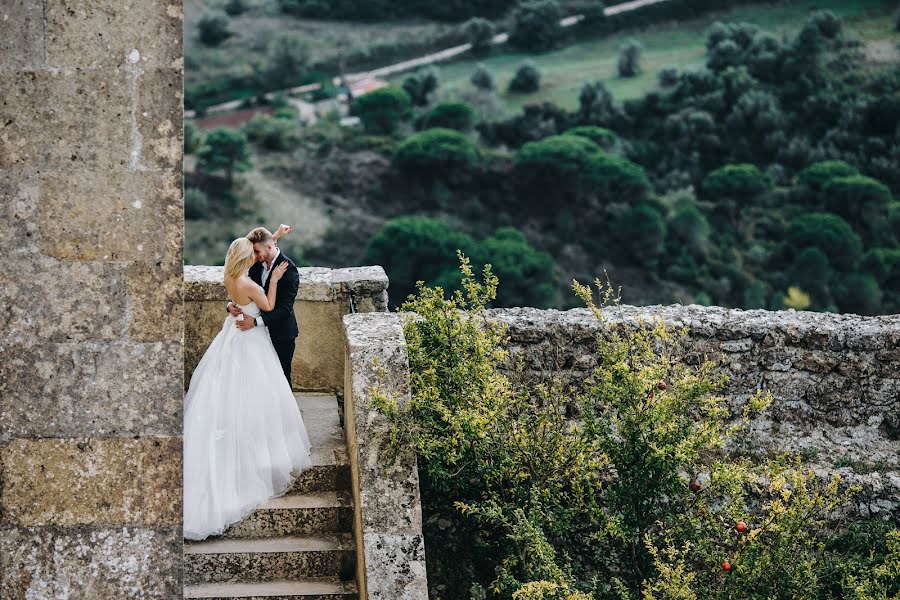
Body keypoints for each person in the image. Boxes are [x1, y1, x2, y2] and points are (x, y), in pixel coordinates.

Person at [183, 237, 313, 541]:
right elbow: (268, 305)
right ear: (247, 257)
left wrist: (234, 306)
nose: (257, 257)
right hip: (251, 338)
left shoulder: (229, 277)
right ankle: (263, 443)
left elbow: (239, 299)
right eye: (252, 254)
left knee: (231, 388)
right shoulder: (253, 282)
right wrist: (275, 281)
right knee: (261, 390)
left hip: (234, 335)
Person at [227, 225, 300, 385]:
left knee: (280, 380)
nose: (254, 255)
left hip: (280, 334)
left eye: (257, 252)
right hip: (253, 337)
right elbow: (240, 287)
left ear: (269, 247)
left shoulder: (289, 270)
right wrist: (230, 305)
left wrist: (255, 322)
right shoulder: (255, 261)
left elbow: (285, 309)